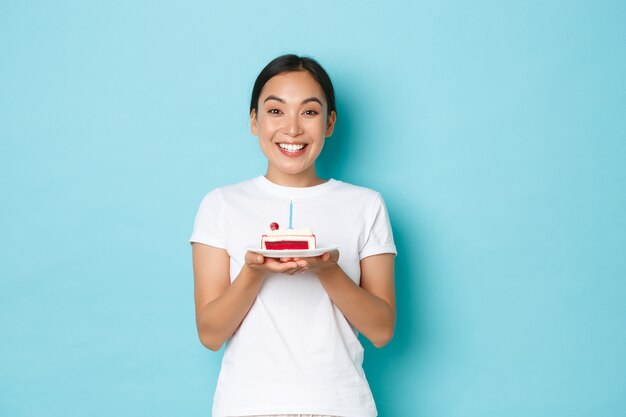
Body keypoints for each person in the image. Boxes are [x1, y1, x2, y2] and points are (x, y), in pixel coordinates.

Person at [190, 54, 396, 417]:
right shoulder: (220, 204)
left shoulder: (366, 205)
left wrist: (329, 270)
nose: (292, 129)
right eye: (275, 111)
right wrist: (253, 272)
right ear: (254, 120)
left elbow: (381, 330)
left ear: (330, 122)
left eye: (310, 112)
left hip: (341, 405)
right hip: (246, 405)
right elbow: (210, 334)